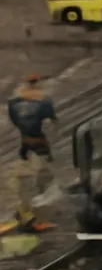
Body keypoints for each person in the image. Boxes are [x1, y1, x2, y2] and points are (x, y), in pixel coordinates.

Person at [7, 73, 58, 230]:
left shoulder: (14, 102)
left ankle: (24, 212)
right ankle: (36, 217)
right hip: (38, 143)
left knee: (20, 179)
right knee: (44, 178)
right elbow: (52, 122)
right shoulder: (44, 101)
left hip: (25, 143)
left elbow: (16, 121)